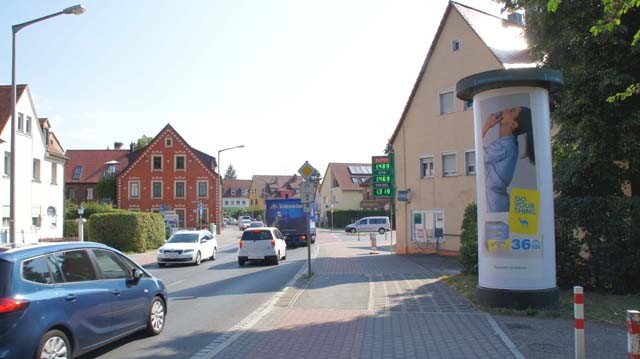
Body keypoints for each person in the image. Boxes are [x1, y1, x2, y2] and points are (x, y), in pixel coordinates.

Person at [482, 106, 534, 212]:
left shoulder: (506, 146)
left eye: (512, 111)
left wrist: (487, 126)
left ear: (513, 124)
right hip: (495, 204)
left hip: (494, 206)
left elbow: (478, 155)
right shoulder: (505, 143)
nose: (506, 109)